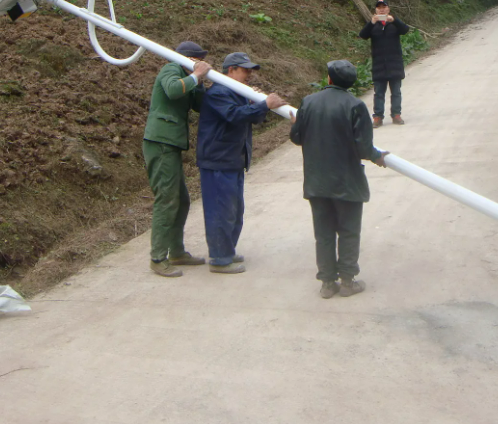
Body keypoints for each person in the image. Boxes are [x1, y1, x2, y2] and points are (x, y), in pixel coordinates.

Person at [289, 60, 388, 299]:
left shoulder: (308, 102)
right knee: (348, 231)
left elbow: (297, 137)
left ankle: (326, 283)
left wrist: (297, 124)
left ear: (329, 79)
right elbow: (363, 148)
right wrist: (378, 156)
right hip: (347, 182)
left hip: (316, 182)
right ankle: (347, 280)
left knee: (323, 233)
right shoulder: (355, 105)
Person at [196, 52, 287, 274]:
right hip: (218, 160)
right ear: (231, 70)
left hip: (233, 159)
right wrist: (263, 104)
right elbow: (235, 115)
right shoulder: (219, 92)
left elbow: (253, 118)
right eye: (245, 70)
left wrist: (259, 104)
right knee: (221, 210)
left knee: (234, 210)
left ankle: (227, 250)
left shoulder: (236, 92)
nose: (249, 75)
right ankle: (219, 258)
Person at [143, 41, 213, 278]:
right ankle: (157, 257)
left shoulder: (188, 77)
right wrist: (196, 75)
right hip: (160, 143)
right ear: (189, 59)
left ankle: (177, 251)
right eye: (198, 60)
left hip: (170, 144)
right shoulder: (171, 69)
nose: (202, 64)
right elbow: (173, 90)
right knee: (168, 198)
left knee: (181, 200)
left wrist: (200, 83)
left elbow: (199, 106)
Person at [358, 0, 410, 128]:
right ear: (376, 10)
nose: (381, 9)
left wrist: (394, 20)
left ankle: (396, 115)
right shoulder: (373, 25)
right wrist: (371, 22)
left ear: (388, 9)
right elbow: (363, 35)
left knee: (396, 92)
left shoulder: (394, 24)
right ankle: (378, 117)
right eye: (379, 7)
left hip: (394, 64)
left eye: (384, 7)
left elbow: (405, 30)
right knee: (378, 93)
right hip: (379, 65)